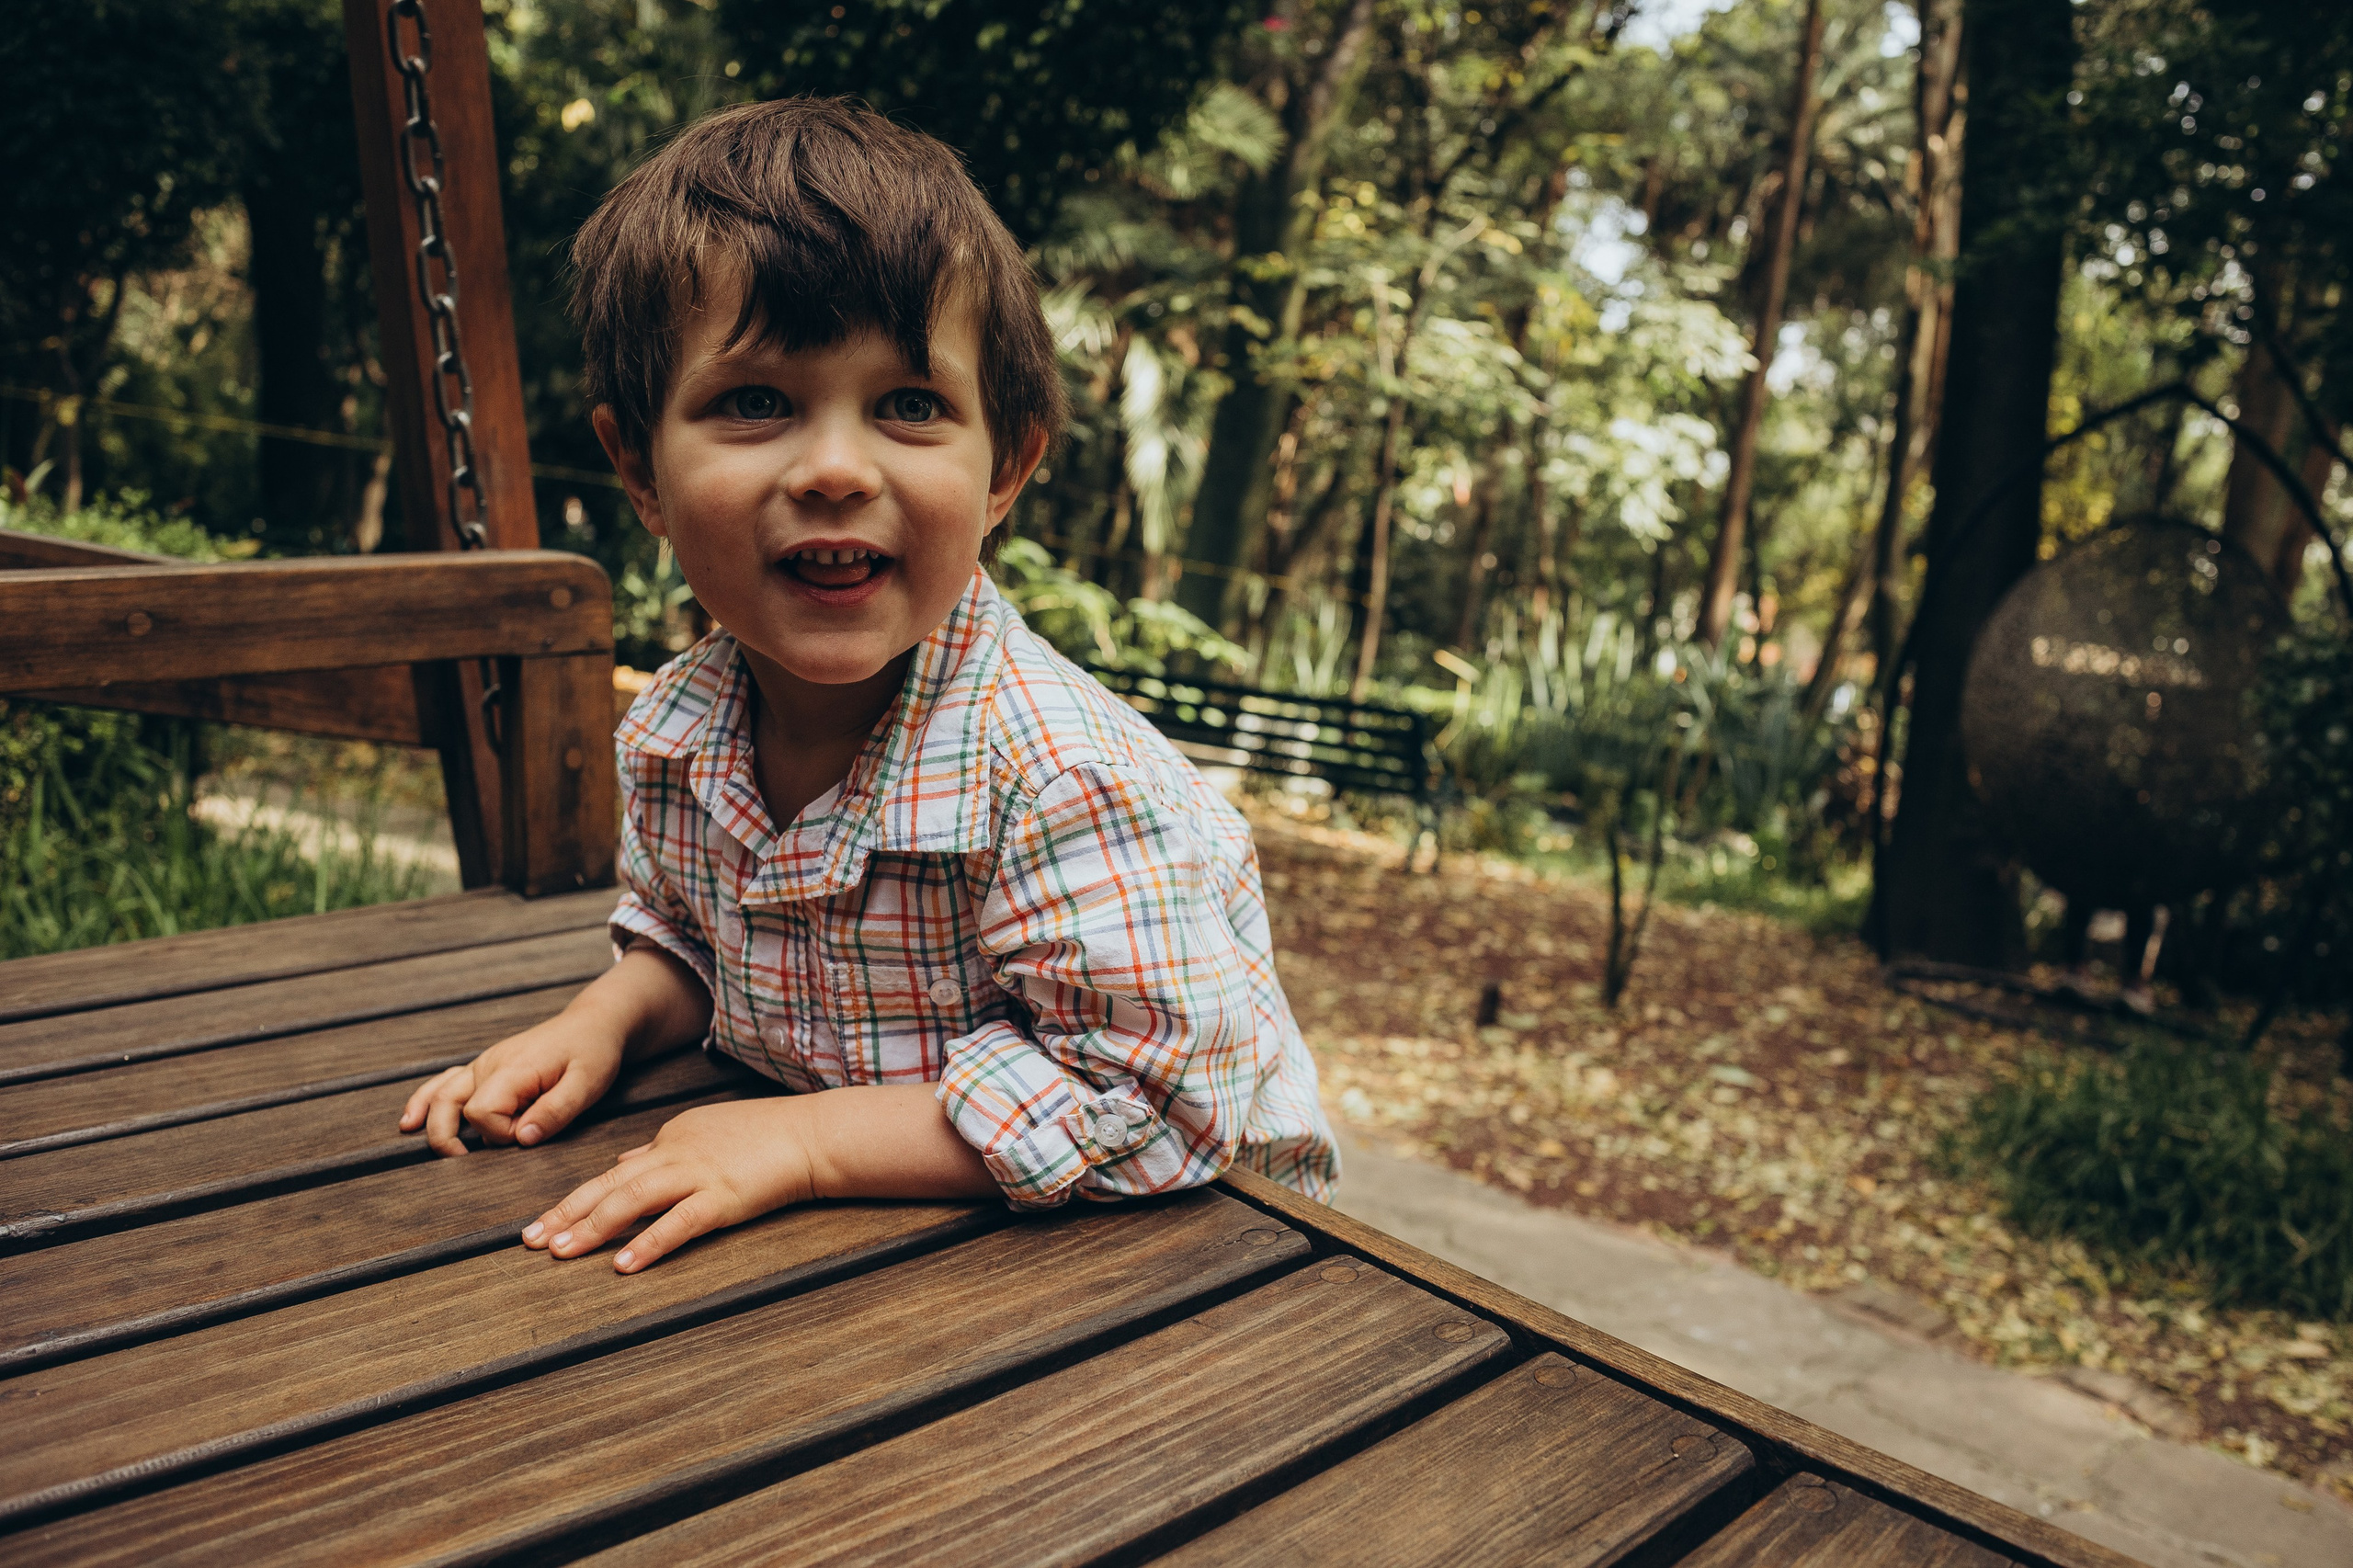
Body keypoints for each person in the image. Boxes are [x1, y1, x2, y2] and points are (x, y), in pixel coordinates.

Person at [396, 98, 1337, 1273]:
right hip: (903, 1261)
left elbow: (1159, 1106)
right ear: (639, 469)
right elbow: (703, 943)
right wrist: (606, 1019)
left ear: (1008, 469)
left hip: (1213, 1264)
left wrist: (808, 1145)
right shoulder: (681, 733)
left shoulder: (1061, 779)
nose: (836, 468)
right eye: (755, 402)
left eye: (909, 405)